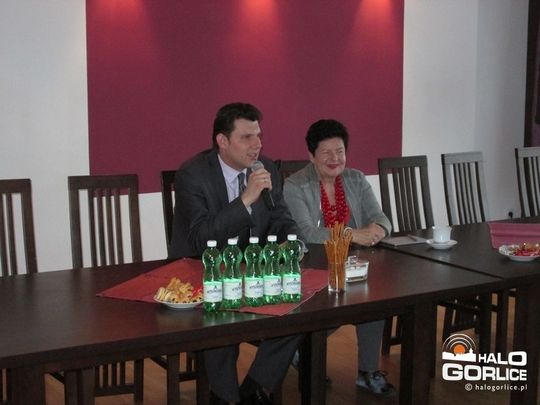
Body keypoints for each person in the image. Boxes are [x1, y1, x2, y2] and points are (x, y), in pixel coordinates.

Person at [169, 102, 302, 405]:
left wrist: (292, 243)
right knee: (221, 319)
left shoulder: (264, 167)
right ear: (222, 141)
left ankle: (256, 389)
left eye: (259, 136)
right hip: (202, 272)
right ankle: (225, 397)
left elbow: (281, 217)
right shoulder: (192, 174)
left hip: (251, 272)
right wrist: (245, 199)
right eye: (247, 137)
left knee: (297, 314)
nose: (257, 145)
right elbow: (200, 239)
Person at [283, 119, 395, 395]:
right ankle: (303, 351)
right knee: (331, 307)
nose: (335, 159)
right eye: (326, 153)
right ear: (311, 156)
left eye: (340, 151)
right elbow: (307, 233)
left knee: (374, 300)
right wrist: (353, 234)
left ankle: (368, 372)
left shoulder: (356, 179)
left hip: (353, 266)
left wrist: (377, 231)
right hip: (314, 267)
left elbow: (381, 219)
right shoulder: (295, 185)